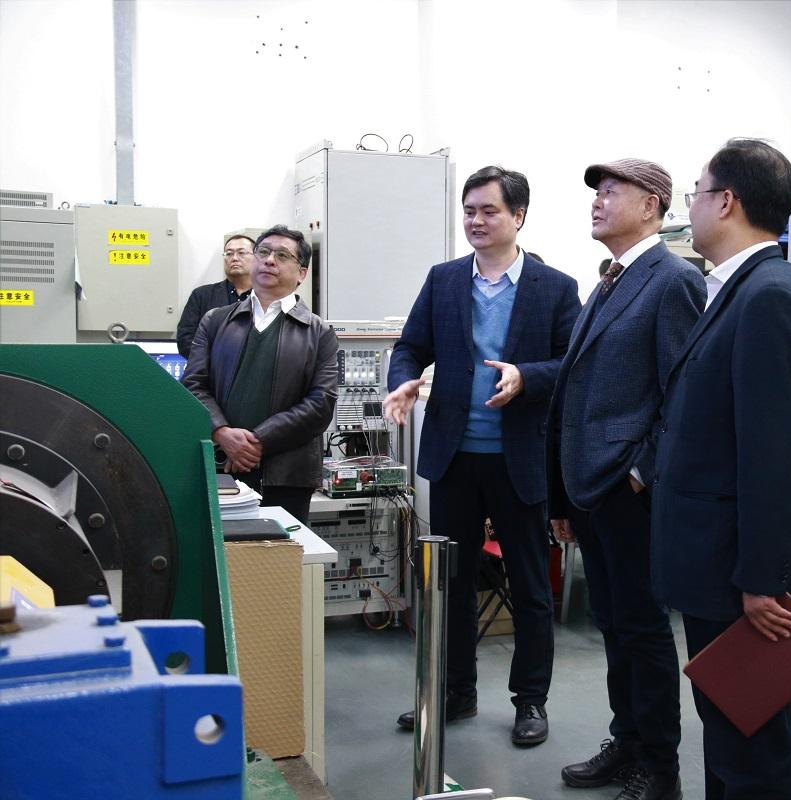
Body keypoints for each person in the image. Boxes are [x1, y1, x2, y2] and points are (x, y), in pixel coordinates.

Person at [384, 166, 580, 746]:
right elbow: (410, 345)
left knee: (530, 586)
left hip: (519, 457)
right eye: (469, 210)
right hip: (454, 456)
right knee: (451, 582)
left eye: (489, 210)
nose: (475, 220)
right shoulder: (444, 280)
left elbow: (572, 364)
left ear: (518, 216)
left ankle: (531, 700)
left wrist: (527, 376)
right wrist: (402, 380)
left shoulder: (554, 287)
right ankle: (455, 692)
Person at [651, 138, 791, 800]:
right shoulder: (736, 290)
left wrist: (761, 580)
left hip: (738, 577)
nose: (688, 209)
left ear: (726, 202)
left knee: (752, 749)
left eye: (695, 194)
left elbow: (774, 452)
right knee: (727, 732)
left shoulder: (768, 296)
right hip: (715, 566)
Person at [549, 159, 705, 800]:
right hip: (590, 486)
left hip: (627, 490)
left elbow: (683, 395)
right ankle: (628, 740)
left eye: (612, 192)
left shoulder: (673, 280)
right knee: (612, 622)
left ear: (651, 206)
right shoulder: (610, 280)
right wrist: (563, 493)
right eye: (596, 192)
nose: (598, 201)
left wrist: (641, 473)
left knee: (642, 629)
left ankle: (660, 768)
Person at [182, 225, 338, 525]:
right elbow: (192, 385)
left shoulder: (320, 333)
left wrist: (256, 442)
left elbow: (321, 404)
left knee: (282, 551)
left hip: (288, 477)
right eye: (263, 252)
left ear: (302, 273)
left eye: (282, 255)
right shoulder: (215, 321)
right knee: (219, 550)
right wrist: (222, 433)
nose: (269, 260)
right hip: (221, 465)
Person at [176, 234, 255, 357]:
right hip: (209, 368)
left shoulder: (267, 297)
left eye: (241, 253)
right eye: (229, 253)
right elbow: (185, 340)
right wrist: (216, 363)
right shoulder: (202, 295)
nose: (234, 258)